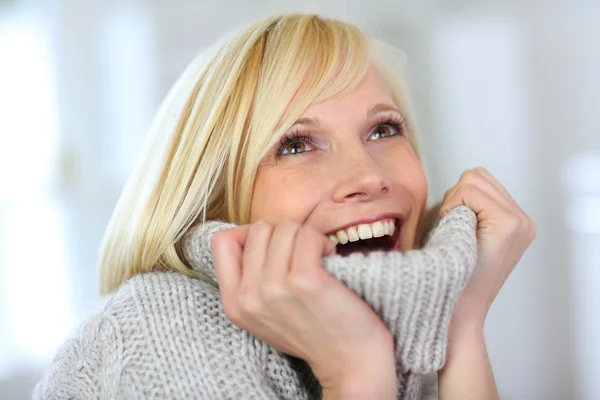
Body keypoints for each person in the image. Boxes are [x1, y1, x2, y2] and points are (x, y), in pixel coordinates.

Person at [33, 13, 535, 399]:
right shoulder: (161, 333)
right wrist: (355, 372)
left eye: (383, 129)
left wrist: (460, 323)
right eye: (295, 145)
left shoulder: (403, 315)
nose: (368, 176)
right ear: (215, 196)